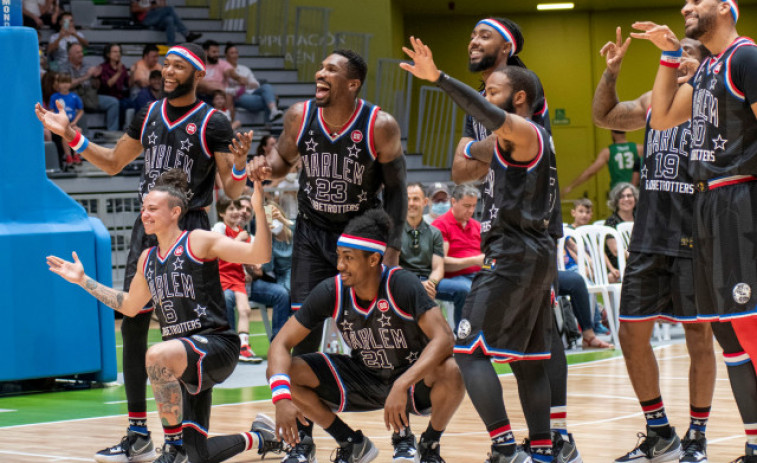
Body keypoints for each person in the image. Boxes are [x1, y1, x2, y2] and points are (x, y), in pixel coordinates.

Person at [36, 42, 254, 463]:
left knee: (191, 330)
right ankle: (138, 431)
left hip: (189, 227)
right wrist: (71, 134)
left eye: (176, 66)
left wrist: (242, 165)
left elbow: (232, 189)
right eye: (164, 65)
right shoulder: (148, 115)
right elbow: (114, 162)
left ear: (197, 74)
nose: (166, 72)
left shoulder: (214, 121)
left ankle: (188, 435)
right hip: (148, 228)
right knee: (133, 326)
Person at [401, 36, 564, 463]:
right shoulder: (527, 140)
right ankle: (543, 450)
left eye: (493, 91)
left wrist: (438, 79)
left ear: (521, 97)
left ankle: (505, 447)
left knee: (468, 351)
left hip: (512, 253)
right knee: (528, 360)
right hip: (535, 254)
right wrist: (478, 148)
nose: (485, 99)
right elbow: (467, 157)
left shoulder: (525, 130)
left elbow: (481, 123)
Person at [47, 170, 281, 463]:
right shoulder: (147, 259)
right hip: (182, 360)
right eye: (143, 208)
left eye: (152, 209)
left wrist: (259, 207)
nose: (144, 214)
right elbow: (130, 306)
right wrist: (84, 281)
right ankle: (262, 437)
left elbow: (259, 254)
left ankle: (170, 448)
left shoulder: (198, 241)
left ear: (175, 212)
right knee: (197, 453)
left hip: (216, 346)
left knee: (156, 355)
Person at [450, 16, 580, 463]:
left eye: (483, 35)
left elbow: (508, 137)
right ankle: (544, 446)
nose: (472, 41)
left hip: (528, 225)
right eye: (472, 33)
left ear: (505, 48)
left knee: (542, 337)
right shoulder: (484, 99)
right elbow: (460, 170)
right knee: (530, 346)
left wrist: (482, 144)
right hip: (509, 228)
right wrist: (479, 148)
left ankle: (550, 437)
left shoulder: (522, 87)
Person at [632, 2, 757, 459]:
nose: (686, 6)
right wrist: (668, 55)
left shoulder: (746, 57)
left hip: (738, 199)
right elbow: (662, 115)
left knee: (749, 324)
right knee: (727, 331)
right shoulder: (706, 70)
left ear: (725, 8)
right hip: (704, 203)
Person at [593, 26, 716, 463]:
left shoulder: (716, 105)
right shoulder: (652, 101)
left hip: (696, 235)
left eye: (689, 54)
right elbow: (604, 117)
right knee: (630, 333)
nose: (681, 59)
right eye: (676, 52)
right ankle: (659, 429)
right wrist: (611, 73)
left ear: (706, 62)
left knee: (698, 335)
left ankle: (697, 435)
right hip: (649, 235)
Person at [267, 209, 465, 463]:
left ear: (373, 260)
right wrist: (281, 397)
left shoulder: (402, 284)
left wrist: (402, 383)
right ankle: (351, 442)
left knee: (451, 371)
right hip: (364, 375)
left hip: (411, 380)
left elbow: (445, 338)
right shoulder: (332, 289)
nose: (340, 265)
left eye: (348, 258)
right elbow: (280, 344)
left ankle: (429, 444)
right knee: (284, 371)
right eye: (339, 257)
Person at [247, 49, 407, 355]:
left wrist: (393, 249)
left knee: (368, 323)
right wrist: (265, 168)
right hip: (311, 229)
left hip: (359, 231)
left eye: (331, 70)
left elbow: (397, 189)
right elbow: (281, 159)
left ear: (352, 84)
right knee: (304, 322)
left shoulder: (379, 125)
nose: (320, 74)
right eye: (321, 68)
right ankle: (304, 396)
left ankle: (382, 385)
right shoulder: (299, 116)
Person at [212, 196, 263, 363]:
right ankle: (227, 345)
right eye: (230, 209)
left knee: (245, 310)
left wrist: (253, 266)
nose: (235, 212)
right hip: (222, 275)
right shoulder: (220, 228)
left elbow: (246, 257)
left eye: (236, 209)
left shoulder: (244, 234)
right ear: (221, 213)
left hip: (238, 277)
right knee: (227, 301)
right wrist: (238, 240)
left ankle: (244, 347)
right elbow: (223, 251)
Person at [431, 184, 484, 327]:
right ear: (453, 202)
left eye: (474, 206)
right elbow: (441, 262)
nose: (471, 210)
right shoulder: (441, 225)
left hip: (476, 275)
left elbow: (485, 259)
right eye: (467, 205)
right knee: (466, 290)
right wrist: (474, 261)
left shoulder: (477, 226)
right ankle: (463, 336)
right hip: (449, 277)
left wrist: (491, 266)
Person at [58, 42, 120, 132]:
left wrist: (97, 78)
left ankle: (112, 133)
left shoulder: (88, 66)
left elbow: (96, 86)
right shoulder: (64, 67)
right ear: (70, 55)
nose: (81, 54)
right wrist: (86, 76)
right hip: (73, 97)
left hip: (90, 96)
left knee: (113, 102)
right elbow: (67, 85)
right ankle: (85, 137)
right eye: (78, 52)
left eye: (81, 52)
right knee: (77, 107)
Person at [561, 131, 644, 196]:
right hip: (635, 191)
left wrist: (571, 186)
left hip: (618, 192)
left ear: (612, 133)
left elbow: (590, 172)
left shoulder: (607, 152)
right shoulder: (639, 148)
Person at [225, 43, 284, 123]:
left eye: (236, 52)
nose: (235, 55)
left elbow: (256, 84)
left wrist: (246, 83)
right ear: (226, 55)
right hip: (237, 95)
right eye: (232, 53)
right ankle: (269, 121)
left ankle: (273, 110)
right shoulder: (223, 69)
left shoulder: (244, 69)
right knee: (269, 98)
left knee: (267, 86)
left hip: (251, 92)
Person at [603, 182, 637, 283]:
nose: (626, 199)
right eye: (621, 197)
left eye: (629, 195)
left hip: (637, 263)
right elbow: (615, 251)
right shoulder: (611, 222)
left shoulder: (640, 219)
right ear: (616, 201)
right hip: (617, 267)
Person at [50, 72, 84, 169]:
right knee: (65, 133)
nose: (65, 85)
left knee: (78, 131)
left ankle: (76, 155)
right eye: (62, 82)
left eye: (67, 82)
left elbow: (81, 110)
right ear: (58, 84)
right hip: (60, 124)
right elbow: (52, 112)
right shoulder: (55, 97)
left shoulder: (74, 96)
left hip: (71, 123)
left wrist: (75, 121)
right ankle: (68, 156)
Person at [130, 0, 201, 46]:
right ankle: (186, 34)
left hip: (158, 17)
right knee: (169, 9)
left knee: (169, 19)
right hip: (146, 18)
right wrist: (150, 7)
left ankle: (171, 45)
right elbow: (133, 9)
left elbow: (163, 5)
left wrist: (156, 5)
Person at [99, 43, 134, 128]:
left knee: (132, 103)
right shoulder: (103, 67)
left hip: (120, 96)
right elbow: (108, 84)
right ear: (108, 54)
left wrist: (132, 73)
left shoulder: (123, 67)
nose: (118, 54)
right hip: (107, 96)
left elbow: (129, 85)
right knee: (119, 104)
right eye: (115, 52)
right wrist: (118, 73)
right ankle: (116, 129)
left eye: (119, 52)